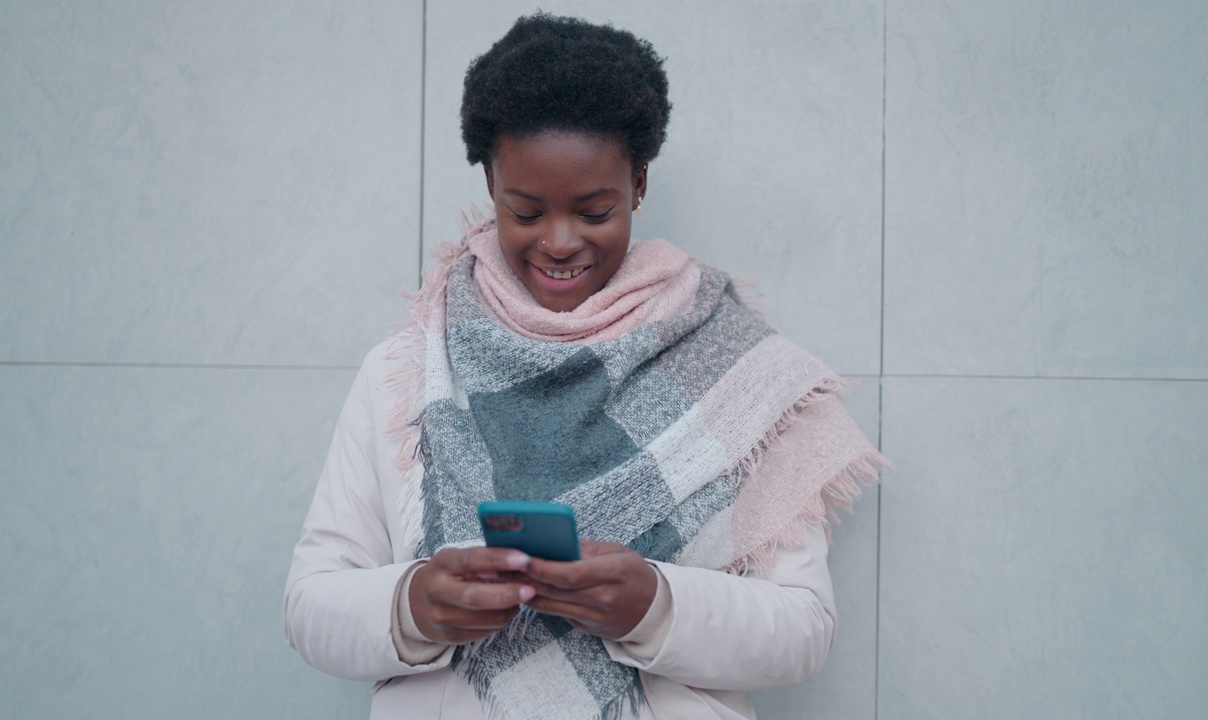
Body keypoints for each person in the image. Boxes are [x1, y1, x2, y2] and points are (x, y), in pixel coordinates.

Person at [284, 13, 886, 720]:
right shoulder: (407, 369)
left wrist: (656, 606)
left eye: (595, 210)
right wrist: (414, 607)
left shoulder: (741, 373)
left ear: (638, 183)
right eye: (527, 211)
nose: (561, 242)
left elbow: (802, 631)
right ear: (490, 181)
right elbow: (311, 603)